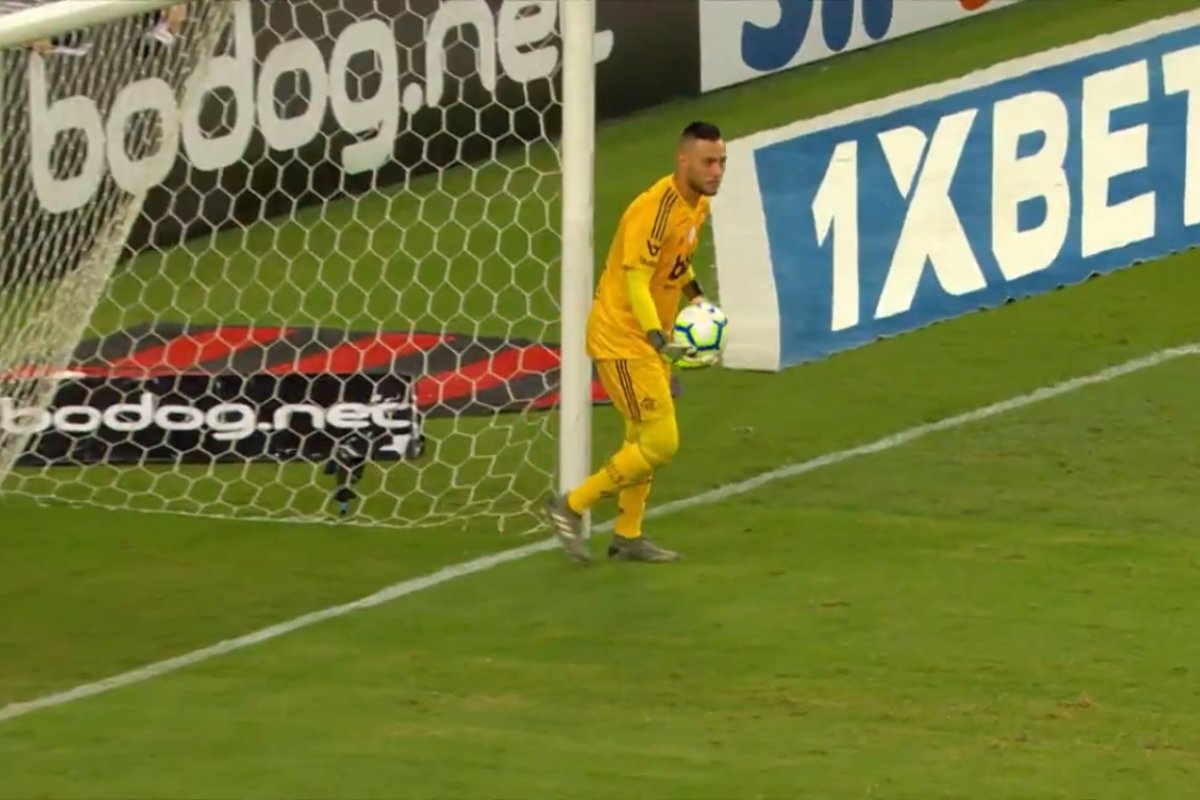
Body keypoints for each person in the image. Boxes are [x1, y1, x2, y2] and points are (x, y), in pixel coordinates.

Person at [545, 121, 727, 564]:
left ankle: (627, 534)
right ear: (682, 159)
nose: (717, 171)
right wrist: (654, 338)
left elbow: (675, 265)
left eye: (722, 162)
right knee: (661, 441)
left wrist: (699, 300)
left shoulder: (695, 205)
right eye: (709, 162)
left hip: (649, 339)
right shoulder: (655, 208)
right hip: (622, 339)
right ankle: (570, 505)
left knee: (640, 439)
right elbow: (636, 277)